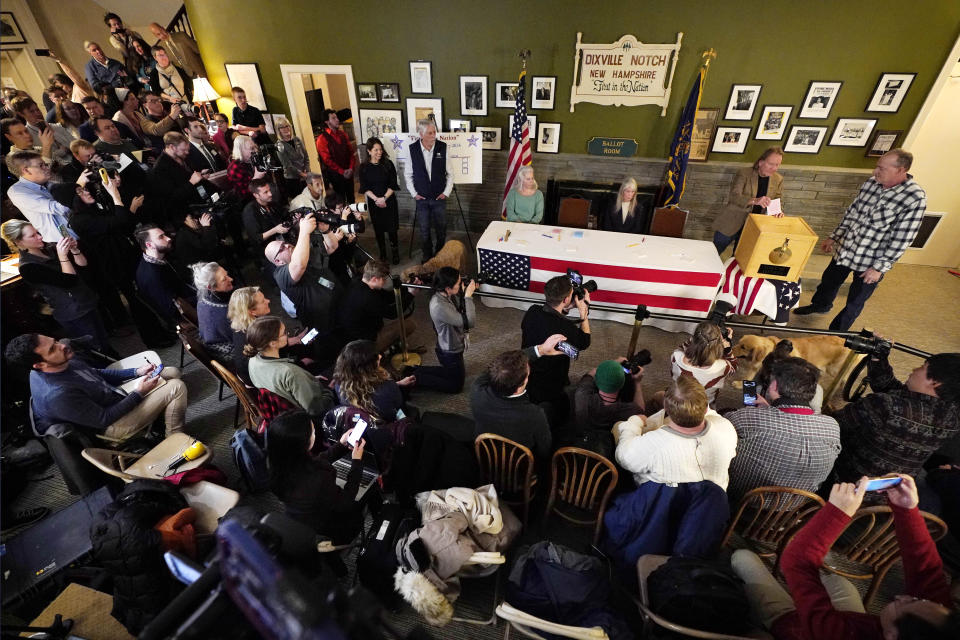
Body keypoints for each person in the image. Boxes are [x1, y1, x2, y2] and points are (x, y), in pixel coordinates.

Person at [733, 474, 957, 640]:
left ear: (891, 635)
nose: (903, 596)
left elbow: (797, 561)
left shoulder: (835, 634)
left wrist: (836, 512)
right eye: (920, 599)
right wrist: (907, 509)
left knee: (742, 557)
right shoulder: (940, 624)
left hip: (796, 628)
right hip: (845, 620)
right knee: (837, 580)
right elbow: (927, 572)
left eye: (904, 605)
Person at [794, 149, 927, 331]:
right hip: (846, 249)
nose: (875, 172)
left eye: (882, 168)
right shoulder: (871, 183)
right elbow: (852, 213)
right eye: (876, 167)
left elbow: (903, 238)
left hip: (871, 261)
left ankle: (836, 334)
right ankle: (821, 305)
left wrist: (879, 268)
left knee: (855, 300)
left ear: (900, 170)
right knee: (828, 281)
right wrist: (834, 237)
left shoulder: (914, 198)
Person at [5, 333, 187, 439]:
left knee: (171, 372)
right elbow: (104, 419)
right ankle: (175, 439)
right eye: (53, 349)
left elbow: (95, 374)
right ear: (39, 365)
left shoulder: (59, 361)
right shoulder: (58, 394)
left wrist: (136, 372)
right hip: (110, 425)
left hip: (109, 397)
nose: (61, 346)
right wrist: (139, 393)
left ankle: (157, 421)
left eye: (55, 342)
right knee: (176, 387)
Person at [831, 346, 960, 484]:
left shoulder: (885, 405)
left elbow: (833, 424)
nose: (914, 369)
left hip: (845, 481)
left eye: (922, 367)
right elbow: (893, 390)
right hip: (894, 490)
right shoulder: (953, 417)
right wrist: (878, 358)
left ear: (935, 383)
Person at [725, 357, 841, 505]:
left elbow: (725, 428)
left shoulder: (747, 418)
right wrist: (768, 409)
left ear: (774, 386)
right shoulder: (832, 427)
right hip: (792, 510)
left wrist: (764, 411)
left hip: (742, 503)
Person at [1, 219, 115, 356]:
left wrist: (75, 249)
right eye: (33, 236)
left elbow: (83, 266)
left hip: (86, 300)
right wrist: (62, 256)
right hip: (73, 312)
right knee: (96, 350)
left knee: (105, 341)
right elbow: (69, 281)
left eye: (37, 232)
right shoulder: (28, 267)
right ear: (18, 242)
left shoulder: (50, 248)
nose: (40, 236)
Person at [615, 376, 738, 490]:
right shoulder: (726, 428)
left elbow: (623, 458)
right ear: (706, 408)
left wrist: (634, 422)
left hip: (663, 503)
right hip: (708, 504)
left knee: (619, 426)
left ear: (666, 410)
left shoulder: (654, 444)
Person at [265, 409, 365, 545]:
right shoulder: (317, 478)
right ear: (302, 444)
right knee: (366, 496)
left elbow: (315, 461)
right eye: (312, 432)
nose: (315, 433)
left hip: (302, 519)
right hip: (330, 528)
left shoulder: (278, 464)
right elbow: (346, 501)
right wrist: (357, 463)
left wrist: (340, 445)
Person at [469, 340, 567, 463]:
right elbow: (544, 451)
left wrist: (540, 349)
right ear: (519, 387)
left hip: (484, 457)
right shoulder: (535, 414)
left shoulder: (477, 390)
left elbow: (490, 370)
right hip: (520, 466)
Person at [520, 275, 591, 422]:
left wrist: (565, 309)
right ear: (565, 300)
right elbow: (584, 341)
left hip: (527, 368)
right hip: (552, 381)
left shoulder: (532, 311)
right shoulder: (566, 329)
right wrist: (584, 314)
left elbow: (551, 318)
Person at [265, 214, 340, 339]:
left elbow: (332, 247)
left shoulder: (303, 254)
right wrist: (304, 231)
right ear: (278, 261)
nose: (287, 245)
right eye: (282, 248)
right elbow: (298, 266)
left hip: (338, 304)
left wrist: (325, 231)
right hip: (322, 321)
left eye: (285, 243)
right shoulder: (280, 274)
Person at [244, 316, 337, 418]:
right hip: (309, 419)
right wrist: (329, 390)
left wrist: (307, 382)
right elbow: (315, 409)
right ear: (273, 343)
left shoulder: (253, 361)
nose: (287, 335)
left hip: (284, 414)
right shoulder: (290, 373)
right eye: (284, 333)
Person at [412, 267, 476, 394]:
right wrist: (468, 297)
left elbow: (459, 311)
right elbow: (469, 322)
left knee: (450, 373)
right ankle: (416, 378)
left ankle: (414, 370)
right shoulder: (439, 306)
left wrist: (462, 293)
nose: (461, 284)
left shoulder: (445, 295)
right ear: (447, 288)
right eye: (458, 283)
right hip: (450, 350)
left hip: (448, 344)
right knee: (456, 386)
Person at [712, 147, 785, 253]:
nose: (774, 168)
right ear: (761, 162)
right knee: (714, 253)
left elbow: (777, 199)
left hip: (753, 226)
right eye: (771, 164)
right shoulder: (744, 173)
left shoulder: (778, 179)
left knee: (739, 258)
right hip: (732, 221)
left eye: (777, 165)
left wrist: (778, 211)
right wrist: (755, 201)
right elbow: (734, 196)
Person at [338, 259, 416, 353]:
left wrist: (406, 287)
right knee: (410, 325)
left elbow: (389, 297)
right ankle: (380, 351)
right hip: (364, 342)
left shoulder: (359, 281)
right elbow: (393, 313)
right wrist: (412, 294)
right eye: (384, 279)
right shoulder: (368, 297)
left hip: (356, 331)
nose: (385, 282)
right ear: (375, 279)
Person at [403, 118, 453, 261]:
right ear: (421, 134)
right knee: (424, 230)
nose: (433, 136)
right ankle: (427, 253)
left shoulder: (443, 147)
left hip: (439, 198)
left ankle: (440, 252)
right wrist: (414, 194)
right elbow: (408, 174)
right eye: (430, 133)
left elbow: (450, 173)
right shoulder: (412, 149)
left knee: (441, 228)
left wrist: (446, 192)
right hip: (422, 199)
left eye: (434, 132)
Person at [332, 340, 415, 424]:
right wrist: (395, 386)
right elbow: (397, 405)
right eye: (375, 357)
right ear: (367, 368)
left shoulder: (339, 384)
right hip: (388, 424)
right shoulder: (388, 387)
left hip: (363, 423)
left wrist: (397, 384)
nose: (380, 356)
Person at [6, 151, 77, 241]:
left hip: (79, 231)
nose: (47, 168)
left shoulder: (48, 181)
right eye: (41, 166)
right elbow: (60, 208)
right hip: (64, 242)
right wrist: (79, 186)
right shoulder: (17, 191)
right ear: (26, 170)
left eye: (45, 164)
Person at [134, 224, 195, 326]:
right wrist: (203, 295)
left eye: (165, 235)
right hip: (188, 314)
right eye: (161, 237)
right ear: (149, 245)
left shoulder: (160, 257)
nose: (168, 238)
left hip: (188, 295)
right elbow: (173, 310)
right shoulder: (152, 276)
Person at [669, 322, 737, 408]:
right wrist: (727, 349)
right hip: (704, 404)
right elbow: (734, 366)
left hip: (679, 399)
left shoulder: (676, 357)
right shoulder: (723, 367)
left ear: (694, 339)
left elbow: (682, 347)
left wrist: (701, 339)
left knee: (659, 395)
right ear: (719, 345)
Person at [573, 359, 645, 435]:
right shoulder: (628, 410)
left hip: (582, 437)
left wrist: (613, 363)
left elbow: (590, 375)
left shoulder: (582, 395)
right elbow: (641, 410)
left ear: (596, 381)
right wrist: (637, 382)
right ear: (622, 384)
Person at [358, 137, 401, 263]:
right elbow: (364, 187)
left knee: (392, 229)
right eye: (376, 150)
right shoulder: (364, 167)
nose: (379, 152)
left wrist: (384, 198)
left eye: (380, 149)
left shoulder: (388, 164)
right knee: (379, 229)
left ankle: (395, 252)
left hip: (389, 201)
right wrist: (377, 199)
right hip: (374, 202)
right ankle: (383, 253)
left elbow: (393, 184)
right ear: (369, 151)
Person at [12, 97, 75, 167]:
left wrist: (53, 132)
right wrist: (60, 152)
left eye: (37, 110)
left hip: (76, 161)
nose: (37, 113)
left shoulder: (55, 126)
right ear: (21, 114)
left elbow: (74, 144)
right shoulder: (27, 136)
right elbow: (40, 162)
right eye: (31, 111)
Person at [191, 261, 235, 360]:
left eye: (227, 275)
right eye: (224, 279)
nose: (231, 279)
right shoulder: (220, 313)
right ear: (211, 287)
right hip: (231, 356)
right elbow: (243, 336)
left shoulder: (204, 296)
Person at [314, 108, 357, 204]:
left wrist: (350, 168)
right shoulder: (322, 139)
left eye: (336, 117)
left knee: (351, 199)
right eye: (333, 118)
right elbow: (327, 161)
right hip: (335, 176)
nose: (337, 120)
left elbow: (351, 153)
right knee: (340, 201)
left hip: (348, 172)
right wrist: (342, 172)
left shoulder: (343, 134)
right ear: (327, 122)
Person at [243, 178, 292, 253]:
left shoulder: (272, 203)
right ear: (256, 195)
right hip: (267, 251)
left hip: (283, 243)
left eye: (269, 190)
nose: (270, 194)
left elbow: (285, 215)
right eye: (265, 192)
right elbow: (257, 238)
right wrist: (275, 230)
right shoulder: (250, 212)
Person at [274, 117, 309, 197]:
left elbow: (306, 157)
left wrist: (307, 170)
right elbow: (288, 165)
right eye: (282, 127)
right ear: (278, 130)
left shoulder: (297, 139)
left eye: (287, 126)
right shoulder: (279, 145)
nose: (286, 128)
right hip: (292, 179)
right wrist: (302, 174)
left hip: (305, 176)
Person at [226, 135, 264, 200]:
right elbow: (243, 193)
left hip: (260, 195)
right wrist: (256, 178)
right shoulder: (234, 168)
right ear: (241, 150)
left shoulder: (250, 160)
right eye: (252, 148)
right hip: (247, 202)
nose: (255, 150)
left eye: (255, 147)